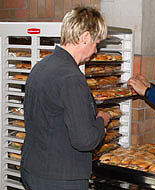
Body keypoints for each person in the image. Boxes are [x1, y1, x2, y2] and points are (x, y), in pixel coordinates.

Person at [20, 7, 111, 190]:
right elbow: (84, 140)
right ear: (85, 37)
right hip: (61, 179)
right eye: (96, 43)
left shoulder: (41, 66)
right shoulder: (71, 78)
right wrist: (102, 120)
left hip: (33, 169)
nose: (95, 51)